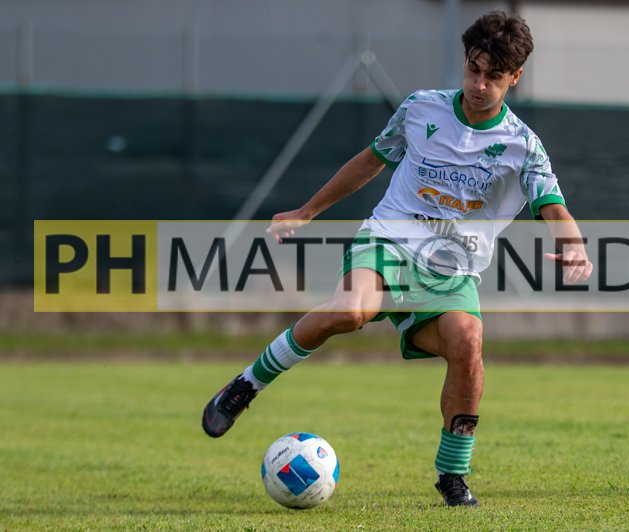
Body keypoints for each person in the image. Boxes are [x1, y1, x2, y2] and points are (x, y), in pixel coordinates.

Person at [202, 10, 593, 507]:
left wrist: (573, 244)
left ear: (514, 77)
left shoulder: (523, 146)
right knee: (351, 311)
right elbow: (370, 161)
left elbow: (552, 205)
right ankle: (244, 386)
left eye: (493, 77)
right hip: (389, 240)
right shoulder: (421, 108)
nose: (479, 85)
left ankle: (452, 474)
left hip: (451, 270)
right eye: (473, 70)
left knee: (469, 344)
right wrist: (306, 212)